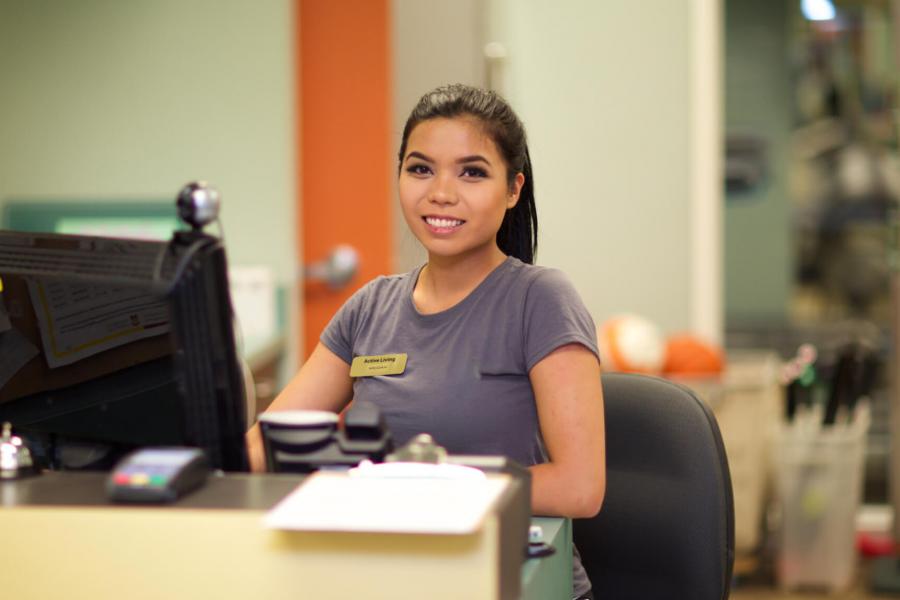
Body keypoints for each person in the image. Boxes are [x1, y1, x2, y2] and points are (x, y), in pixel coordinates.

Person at [246, 83, 605, 599]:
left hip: (513, 581)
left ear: (513, 189)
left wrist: (414, 485)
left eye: (472, 172)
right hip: (393, 577)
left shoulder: (540, 300)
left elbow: (580, 486)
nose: (441, 192)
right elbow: (269, 441)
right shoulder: (369, 308)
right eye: (420, 168)